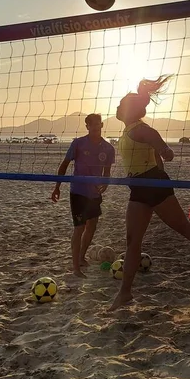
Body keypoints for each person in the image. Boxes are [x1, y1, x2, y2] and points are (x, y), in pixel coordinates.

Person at [109, 75, 190, 312]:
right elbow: (154, 154)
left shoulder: (141, 130)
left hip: (153, 184)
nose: (116, 107)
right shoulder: (128, 131)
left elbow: (161, 147)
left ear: (129, 110)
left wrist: (164, 152)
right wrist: (159, 157)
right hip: (138, 187)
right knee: (132, 241)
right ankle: (125, 293)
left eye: (120, 104)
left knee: (183, 228)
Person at [51, 113, 115, 277]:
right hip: (78, 191)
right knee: (79, 228)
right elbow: (64, 164)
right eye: (91, 124)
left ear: (101, 125)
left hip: (94, 193)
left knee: (92, 226)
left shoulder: (108, 148)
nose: (94, 127)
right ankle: (76, 269)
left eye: (97, 124)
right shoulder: (78, 143)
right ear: (87, 127)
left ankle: (81, 257)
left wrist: (105, 183)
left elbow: (106, 171)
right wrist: (57, 186)